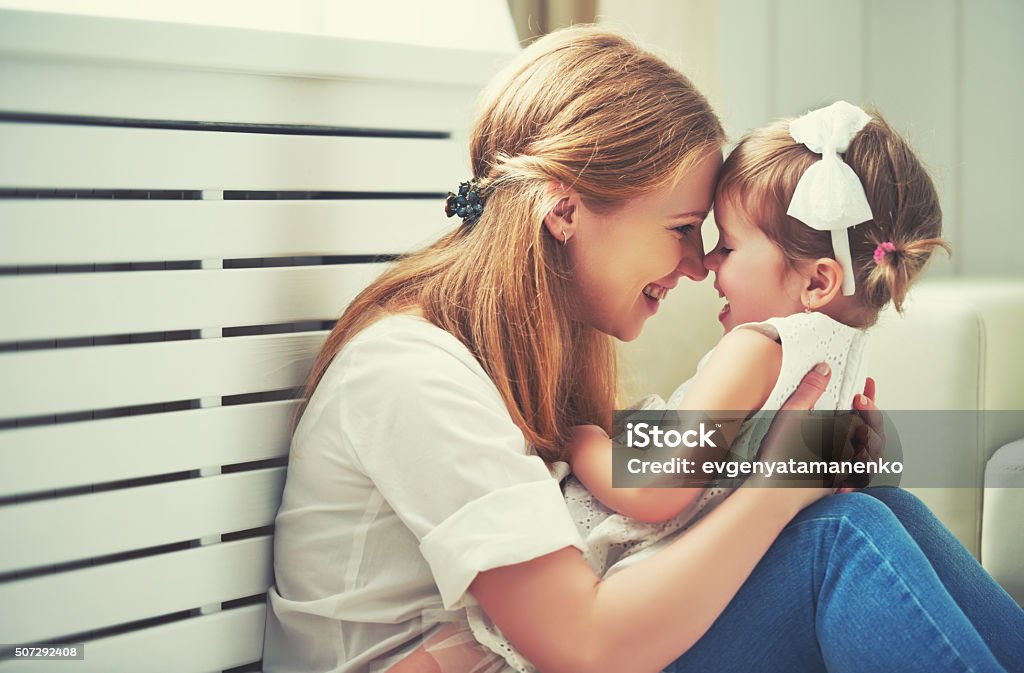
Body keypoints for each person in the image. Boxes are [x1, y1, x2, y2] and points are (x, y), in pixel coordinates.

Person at [262, 26, 1024, 673]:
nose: (698, 265)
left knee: (877, 508)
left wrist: (818, 460)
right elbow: (587, 642)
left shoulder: (535, 352)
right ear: (565, 210)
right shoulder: (414, 375)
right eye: (682, 227)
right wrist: (786, 482)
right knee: (840, 542)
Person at [463, 100, 958, 671]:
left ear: (820, 281)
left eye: (726, 245)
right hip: (683, 589)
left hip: (668, 580)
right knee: (886, 514)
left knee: (874, 518)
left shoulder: (756, 347)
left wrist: (582, 440)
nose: (706, 266)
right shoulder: (842, 346)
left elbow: (655, 490)